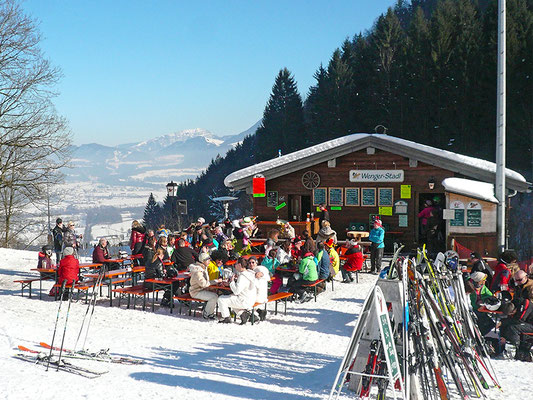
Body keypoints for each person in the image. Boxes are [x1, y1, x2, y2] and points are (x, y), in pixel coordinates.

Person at [217, 257, 257, 324]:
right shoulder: (249, 273)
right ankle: (243, 314)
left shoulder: (242, 277)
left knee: (221, 299)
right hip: (250, 299)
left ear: (239, 265)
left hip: (245, 301)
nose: (234, 265)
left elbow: (236, 291)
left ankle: (226, 317)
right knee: (230, 298)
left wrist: (232, 282)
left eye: (235, 264)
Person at [188, 252, 219, 319]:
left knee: (215, 294)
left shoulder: (204, 268)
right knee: (214, 297)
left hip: (201, 290)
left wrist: (216, 281)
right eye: (208, 259)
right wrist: (215, 281)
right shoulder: (198, 271)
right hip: (195, 292)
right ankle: (207, 313)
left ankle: (209, 313)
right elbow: (203, 284)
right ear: (203, 261)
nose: (209, 261)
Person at [247, 256, 270, 323]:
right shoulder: (250, 271)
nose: (251, 264)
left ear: (256, 263)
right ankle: (260, 311)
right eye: (249, 263)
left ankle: (253, 315)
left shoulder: (259, 268)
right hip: (262, 296)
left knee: (243, 299)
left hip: (258, 296)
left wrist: (261, 274)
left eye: (253, 262)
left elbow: (265, 275)